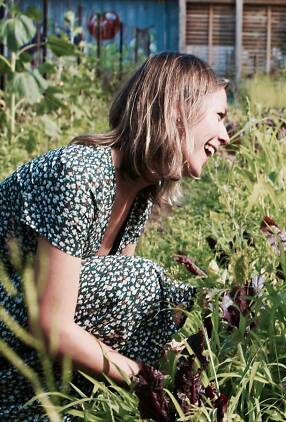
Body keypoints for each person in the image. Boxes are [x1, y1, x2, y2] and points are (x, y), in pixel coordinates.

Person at [0, 52, 230, 419]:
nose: (224, 136)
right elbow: (52, 325)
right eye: (219, 117)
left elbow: (118, 317)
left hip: (22, 336)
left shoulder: (140, 189)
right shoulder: (79, 174)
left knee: (169, 298)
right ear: (177, 110)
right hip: (14, 323)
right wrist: (145, 380)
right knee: (143, 282)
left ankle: (66, 402)